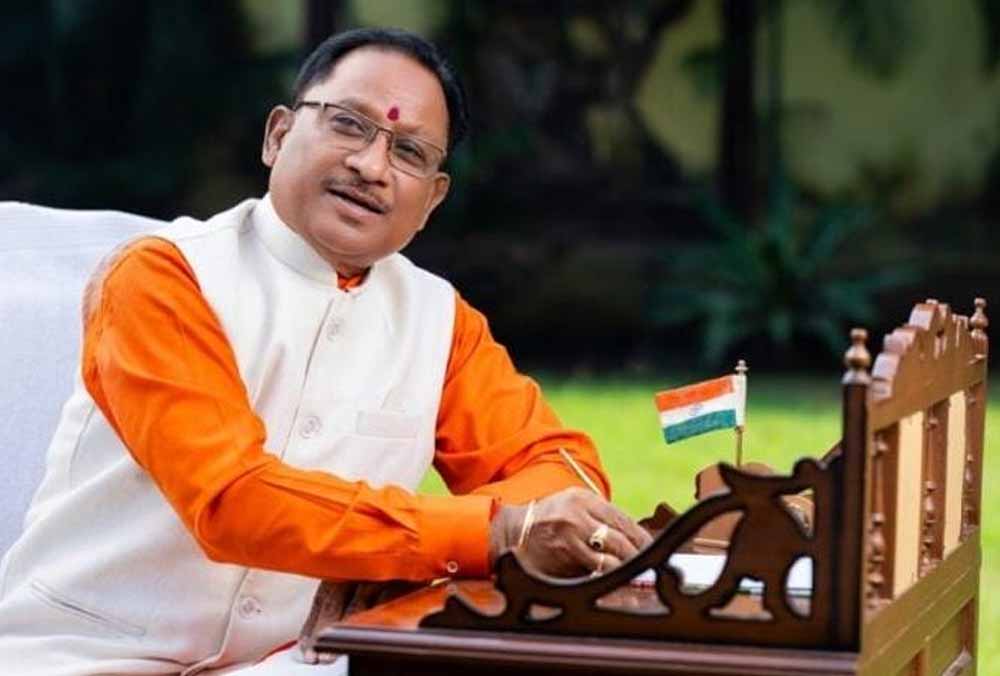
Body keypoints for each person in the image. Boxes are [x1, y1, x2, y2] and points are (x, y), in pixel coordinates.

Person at [0, 28, 651, 675]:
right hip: (81, 657)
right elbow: (234, 503)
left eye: (408, 151)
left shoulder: (438, 320)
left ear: (432, 198)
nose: (371, 166)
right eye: (348, 124)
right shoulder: (163, 278)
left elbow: (562, 472)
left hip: (293, 662)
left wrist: (433, 550)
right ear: (277, 135)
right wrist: (484, 535)